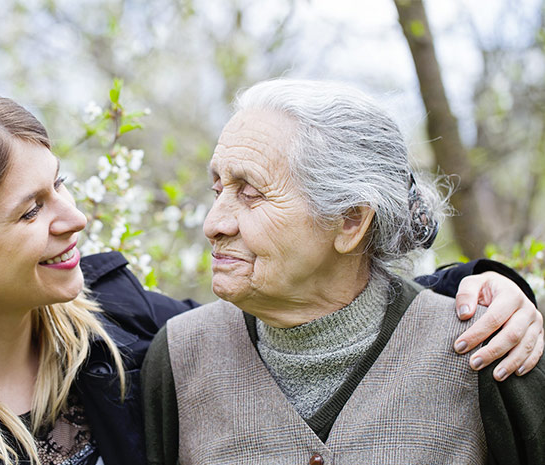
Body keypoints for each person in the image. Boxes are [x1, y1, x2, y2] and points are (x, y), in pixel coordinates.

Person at [0, 86, 539, 465]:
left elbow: (334, 311)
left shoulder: (127, 328)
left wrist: (486, 288)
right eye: (32, 209)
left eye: (60, 186)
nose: (76, 218)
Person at [142, 79, 545, 465]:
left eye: (250, 194)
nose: (214, 223)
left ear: (351, 221)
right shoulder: (179, 357)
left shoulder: (489, 346)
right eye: (218, 190)